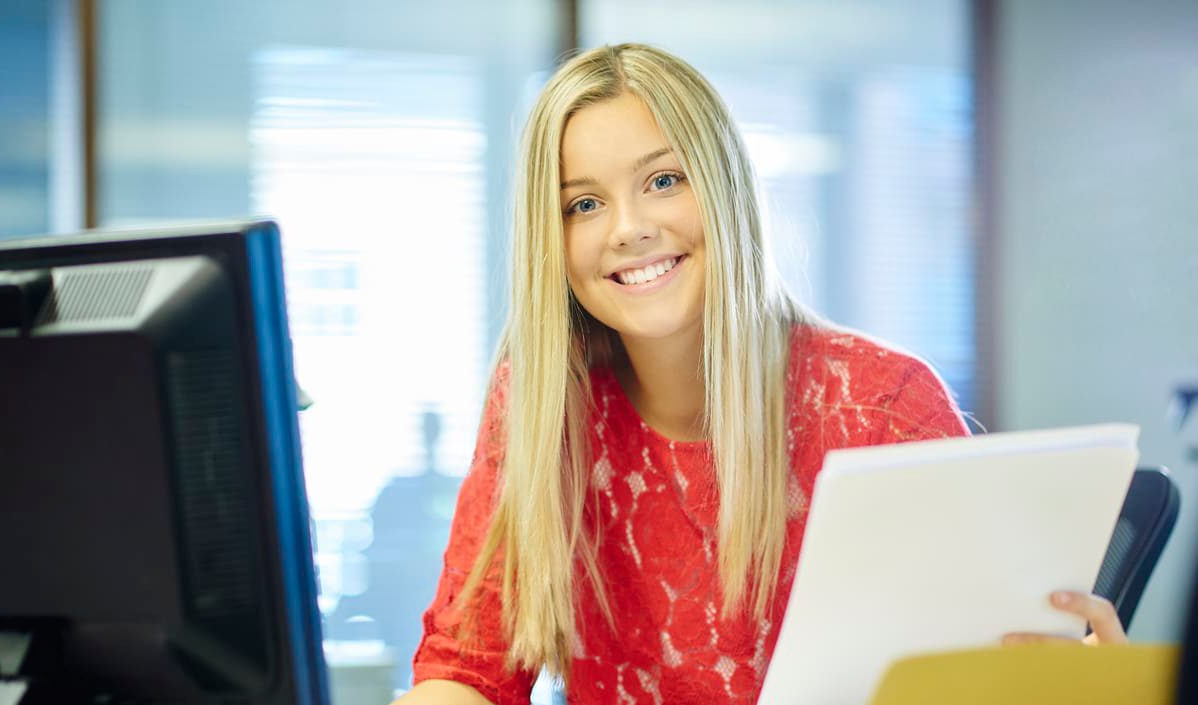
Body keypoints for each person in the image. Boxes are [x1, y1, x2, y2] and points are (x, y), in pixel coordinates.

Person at [393, 43, 1126, 705]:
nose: (627, 227)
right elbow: (468, 669)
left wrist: (1072, 684)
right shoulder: (547, 403)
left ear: (725, 190)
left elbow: (974, 673)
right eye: (583, 203)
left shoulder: (879, 405)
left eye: (663, 180)